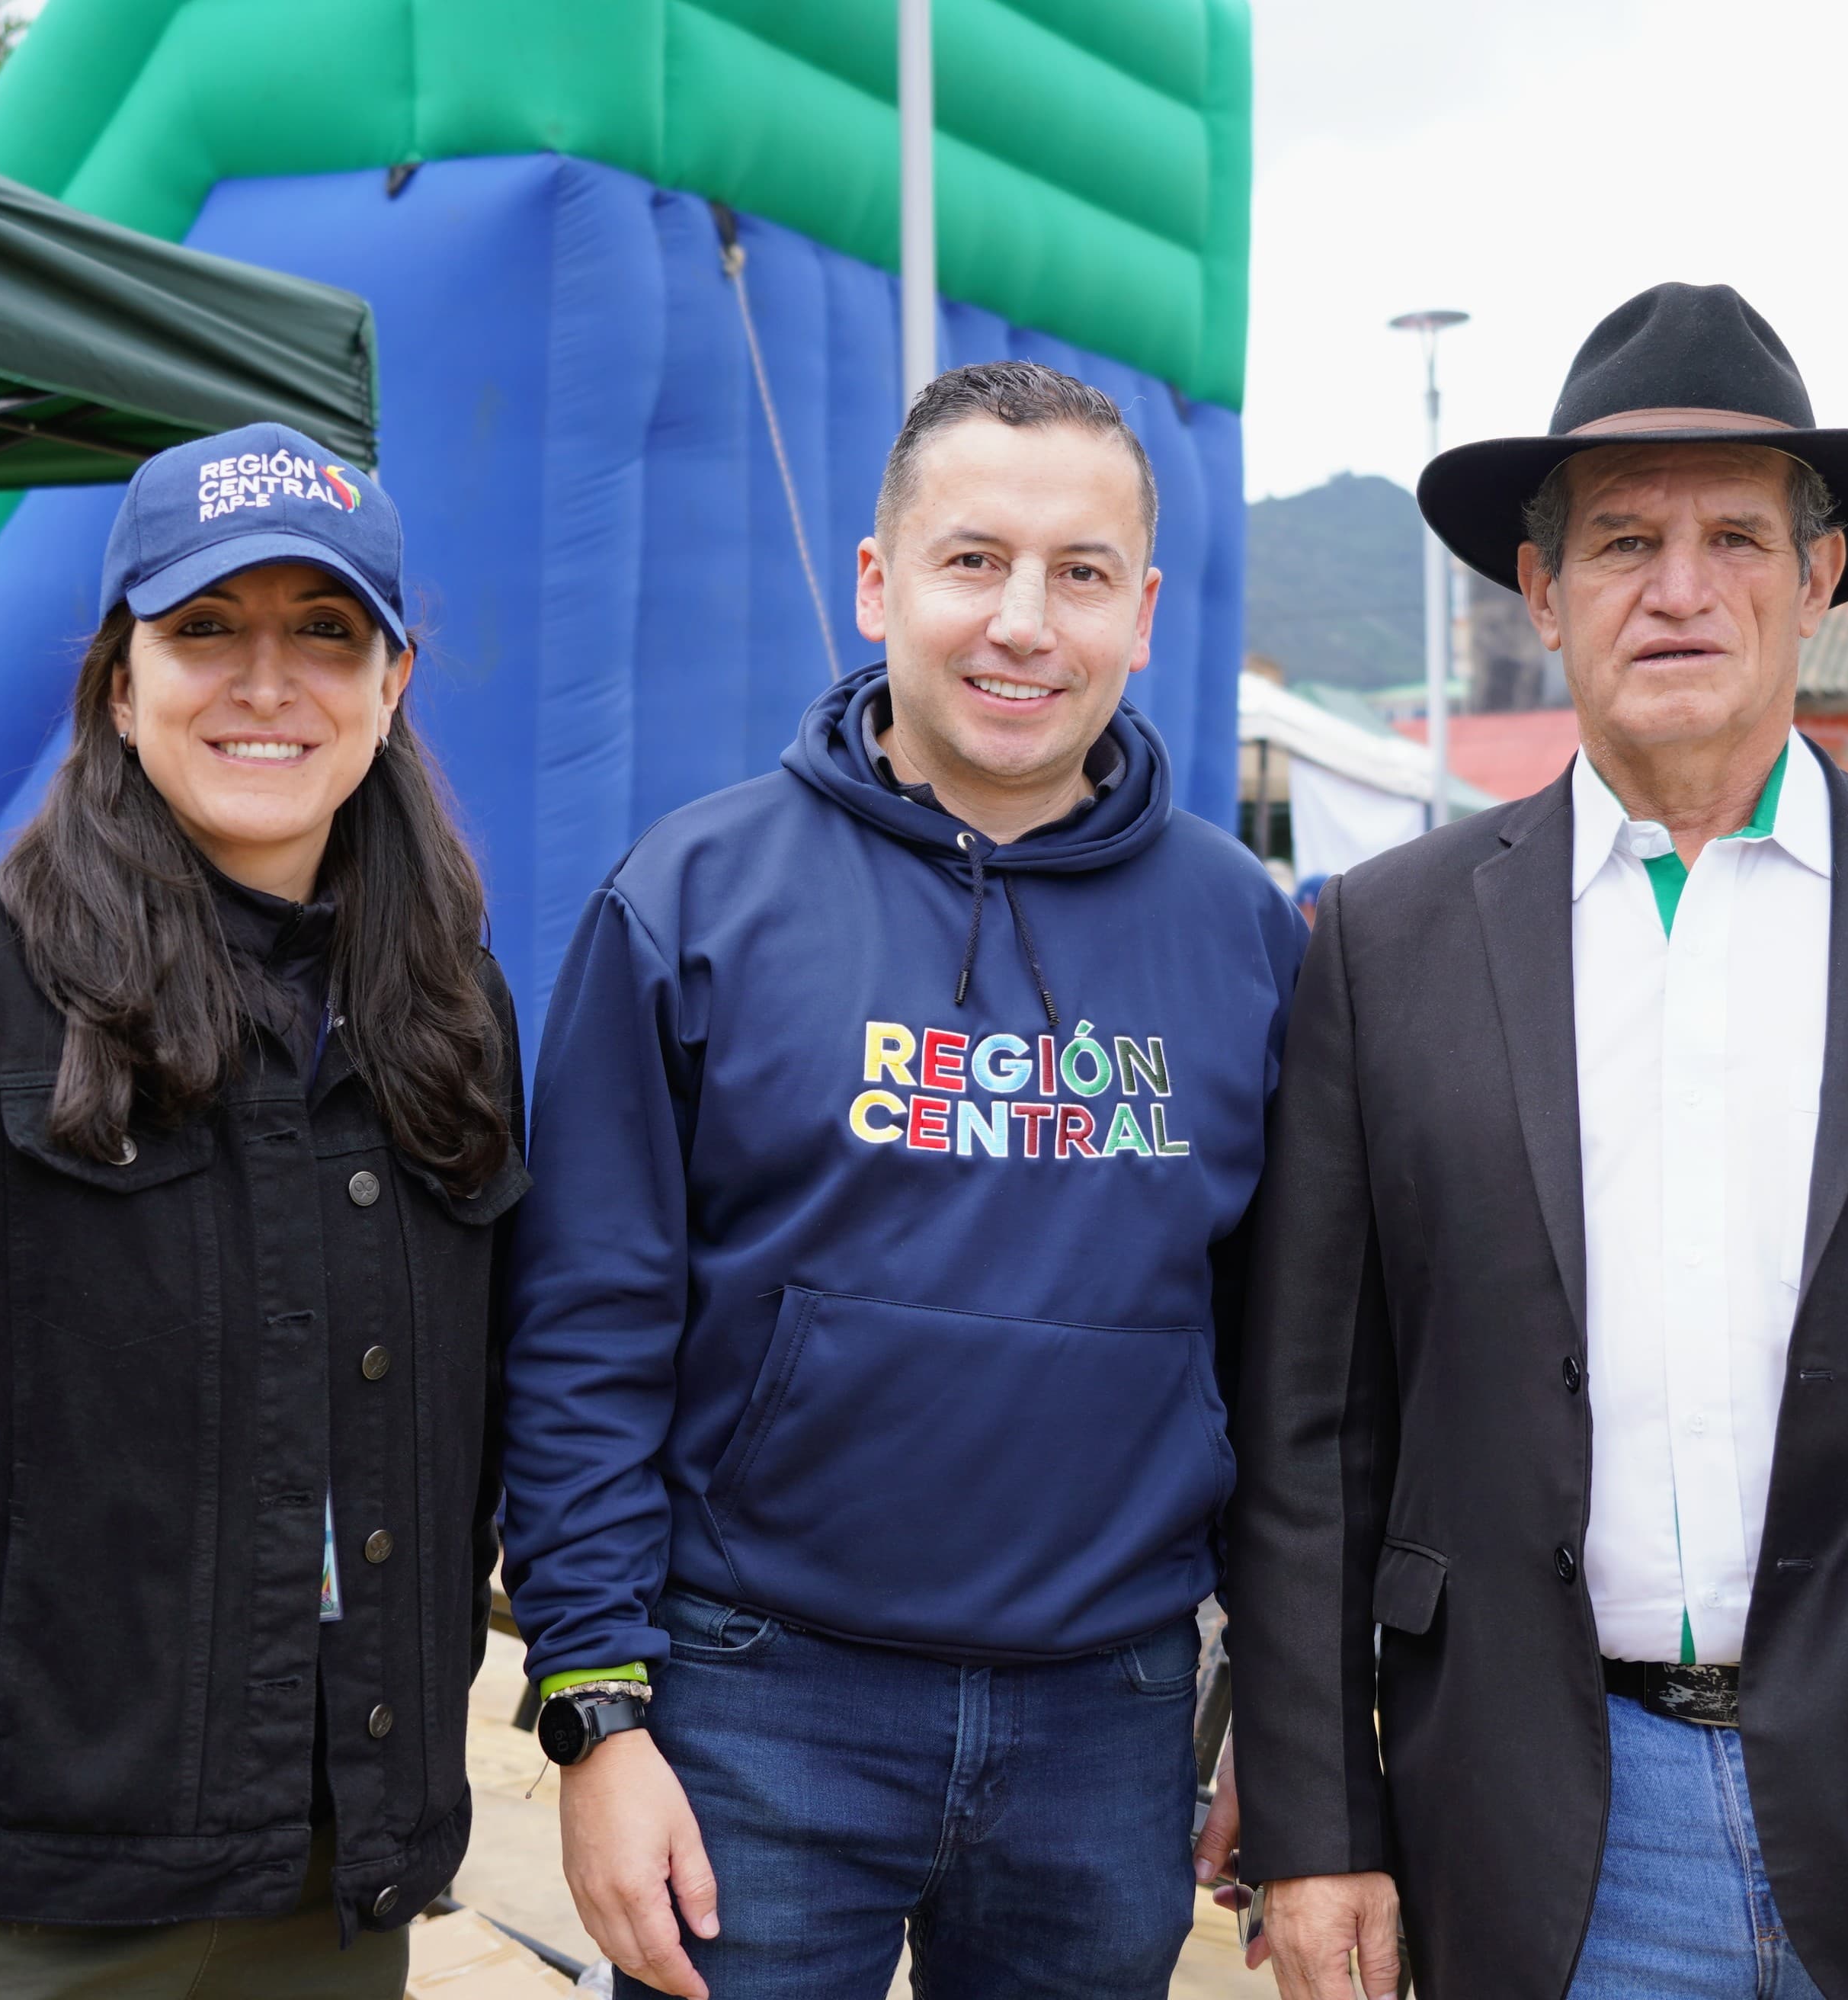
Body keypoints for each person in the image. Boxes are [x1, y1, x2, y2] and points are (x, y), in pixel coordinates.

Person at [1214, 285, 1848, 2000]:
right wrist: (1318, 1825)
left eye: (1735, 537)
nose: (1679, 589)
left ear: (1818, 576)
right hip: (1535, 1837)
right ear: (1542, 589)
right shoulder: (1384, 945)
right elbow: (1313, 1434)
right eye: (1622, 541)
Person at [502, 359, 1310, 2000]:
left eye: (1080, 573)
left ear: (1144, 614)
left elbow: (1291, 1371)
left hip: (1110, 1716)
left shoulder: (1244, 934)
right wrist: (595, 1710)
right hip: (755, 1702)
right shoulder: (691, 897)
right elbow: (582, 1330)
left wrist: (1286, 1718)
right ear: (880, 584)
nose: (1024, 622)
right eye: (973, 560)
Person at [0, 423, 524, 2000]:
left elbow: (475, 1431)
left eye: (324, 630)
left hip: (334, 1894)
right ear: (121, 684)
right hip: (13, 1918)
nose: (267, 684)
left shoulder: (452, 1015)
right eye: (205, 627)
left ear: (392, 686)